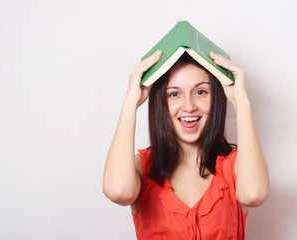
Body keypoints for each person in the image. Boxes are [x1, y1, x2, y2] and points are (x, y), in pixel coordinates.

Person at [103, 49, 270, 239]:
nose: (189, 106)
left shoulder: (236, 166)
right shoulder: (141, 167)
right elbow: (118, 191)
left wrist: (241, 101)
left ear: (215, 98)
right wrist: (130, 102)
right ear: (160, 102)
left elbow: (254, 194)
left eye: (201, 92)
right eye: (174, 94)